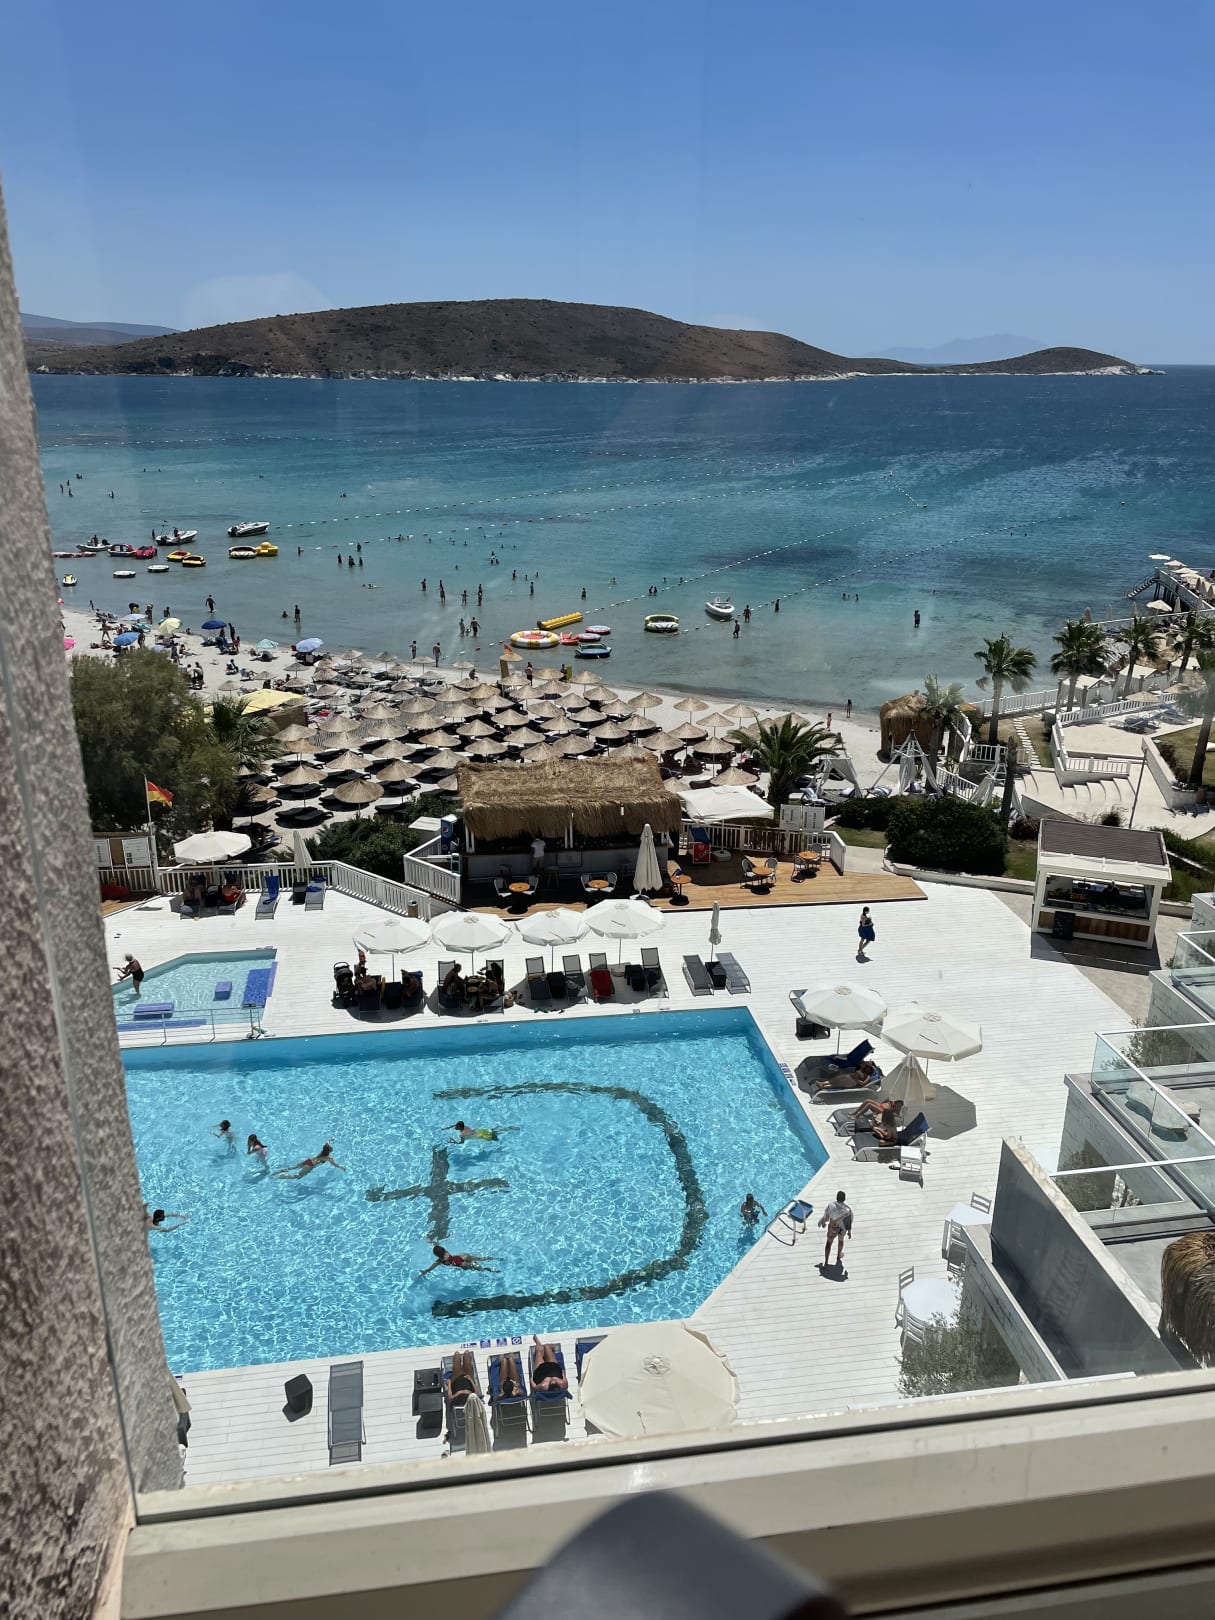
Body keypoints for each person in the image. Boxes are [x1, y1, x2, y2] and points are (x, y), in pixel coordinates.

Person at [273, 1142, 347, 1179]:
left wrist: (331, 1140)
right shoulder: (329, 1158)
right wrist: (342, 1167)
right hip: (310, 1166)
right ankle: (282, 1177)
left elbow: (327, 1143)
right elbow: (335, 1165)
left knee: (292, 1168)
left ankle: (277, 1172)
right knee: (298, 1176)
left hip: (308, 1160)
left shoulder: (322, 1151)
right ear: (329, 1151)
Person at [819, 1190, 852, 1269]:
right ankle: (838, 1255)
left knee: (829, 1243)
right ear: (844, 1199)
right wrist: (849, 1231)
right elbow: (848, 1222)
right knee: (841, 1240)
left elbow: (826, 1217)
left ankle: (826, 1262)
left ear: (836, 1197)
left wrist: (824, 1223)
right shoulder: (847, 1210)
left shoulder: (831, 1205)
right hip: (842, 1228)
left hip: (832, 1227)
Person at [419, 1244, 500, 1275]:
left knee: (478, 1267)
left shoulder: (440, 1260)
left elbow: (430, 1268)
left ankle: (491, 1269)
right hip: (461, 1257)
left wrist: (425, 1271)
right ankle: (495, 1259)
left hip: (460, 1263)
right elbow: (430, 1268)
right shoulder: (444, 1254)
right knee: (479, 1259)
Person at [446, 1119, 519, 1143]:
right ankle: (509, 1128)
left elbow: (461, 1143)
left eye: (456, 1126)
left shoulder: (462, 1134)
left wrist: (453, 1141)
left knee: (497, 1136)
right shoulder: (465, 1127)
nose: (455, 1127)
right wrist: (447, 1128)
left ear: (459, 1127)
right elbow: (455, 1125)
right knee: (495, 1131)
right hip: (481, 1131)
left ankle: (509, 1129)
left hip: (482, 1135)